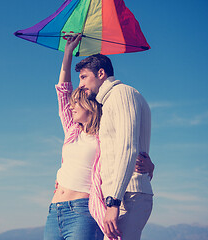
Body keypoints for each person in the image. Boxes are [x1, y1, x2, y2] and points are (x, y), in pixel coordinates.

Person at [43, 34, 154, 240]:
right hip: (55, 210)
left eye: (78, 103)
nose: (72, 106)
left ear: (90, 107)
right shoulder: (72, 131)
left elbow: (125, 147)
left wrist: (147, 164)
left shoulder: (103, 135)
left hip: (83, 209)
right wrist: (67, 54)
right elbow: (62, 93)